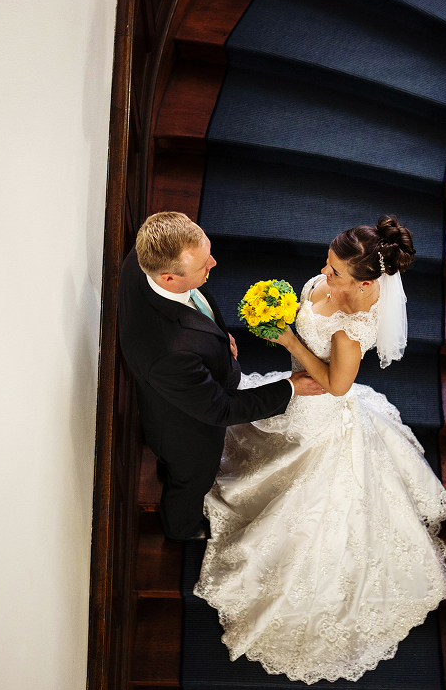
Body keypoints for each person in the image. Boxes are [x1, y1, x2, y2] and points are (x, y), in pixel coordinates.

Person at [194, 215, 446, 684]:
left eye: (335, 273)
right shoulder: (337, 278)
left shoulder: (351, 329)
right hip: (297, 386)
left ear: (365, 283)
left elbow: (336, 386)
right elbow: (317, 294)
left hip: (319, 405)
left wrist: (290, 338)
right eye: (328, 264)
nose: (324, 274)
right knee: (249, 433)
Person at [118, 212, 325, 543]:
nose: (213, 263)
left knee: (177, 470)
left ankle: (168, 470)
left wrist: (215, 334)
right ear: (169, 279)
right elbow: (221, 409)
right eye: (203, 265)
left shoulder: (143, 254)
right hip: (185, 432)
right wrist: (290, 387)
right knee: (191, 480)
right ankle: (181, 529)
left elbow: (191, 312)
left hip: (183, 380)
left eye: (208, 252)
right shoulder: (168, 351)